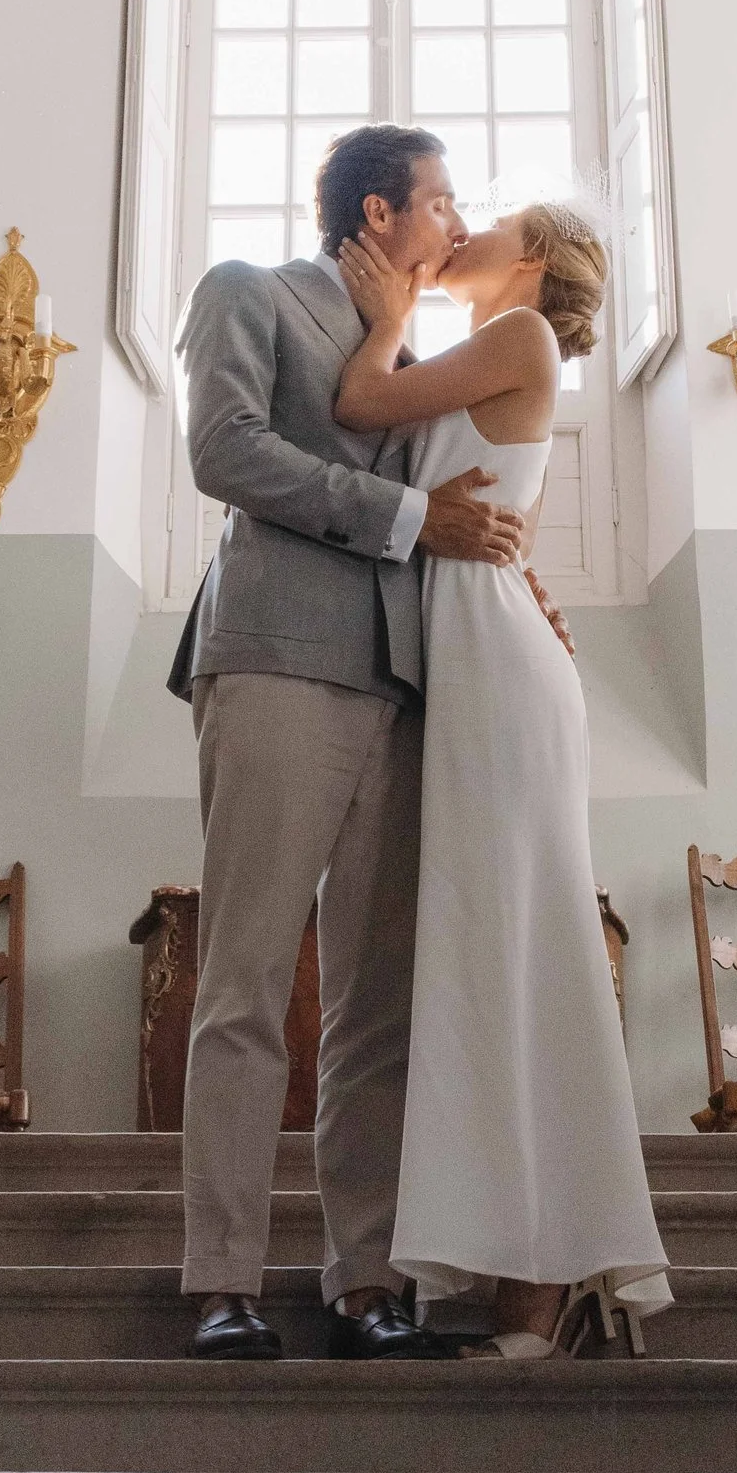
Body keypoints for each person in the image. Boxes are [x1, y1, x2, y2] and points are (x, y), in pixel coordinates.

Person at [168, 124, 527, 1361]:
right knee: (245, 984)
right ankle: (220, 1277)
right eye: (441, 201)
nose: (456, 222)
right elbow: (226, 452)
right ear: (379, 213)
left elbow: (475, 513)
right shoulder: (247, 293)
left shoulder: (416, 352)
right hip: (274, 655)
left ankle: (363, 1278)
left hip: (406, 683)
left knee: (377, 1004)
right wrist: (408, 515)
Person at [332, 201, 670, 1358]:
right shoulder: (489, 348)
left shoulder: (520, 333)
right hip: (473, 655)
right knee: (480, 959)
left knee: (526, 956)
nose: (467, 227)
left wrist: (384, 314)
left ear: (531, 258)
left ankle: (548, 1282)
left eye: (498, 218)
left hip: (501, 677)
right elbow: (478, 498)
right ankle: (509, 1263)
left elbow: (360, 402)